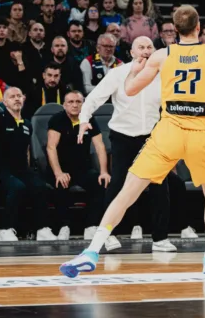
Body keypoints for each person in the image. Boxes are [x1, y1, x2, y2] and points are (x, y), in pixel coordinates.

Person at [59, 5, 205, 277]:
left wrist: (136, 70)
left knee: (127, 191)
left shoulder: (162, 54)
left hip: (168, 131)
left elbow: (129, 89)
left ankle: (91, 250)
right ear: (198, 28)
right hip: (199, 134)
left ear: (172, 31)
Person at [77, 36, 190, 253]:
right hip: (122, 136)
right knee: (118, 184)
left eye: (150, 47)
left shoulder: (163, 74)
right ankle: (108, 235)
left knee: (160, 186)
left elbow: (179, 102)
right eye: (141, 47)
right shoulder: (119, 73)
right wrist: (83, 120)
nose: (146, 51)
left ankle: (160, 239)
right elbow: (94, 98)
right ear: (132, 52)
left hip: (152, 137)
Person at [0, 87, 57, 241]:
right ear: (5, 102)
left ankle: (42, 229)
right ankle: (6, 229)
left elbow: (26, 150)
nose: (17, 99)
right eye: (12, 97)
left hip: (22, 169)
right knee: (17, 187)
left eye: (19, 96)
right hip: (1, 168)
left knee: (40, 186)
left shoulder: (27, 124)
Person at [46, 90, 110, 241]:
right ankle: (64, 226)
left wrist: (104, 171)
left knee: (100, 182)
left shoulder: (89, 119)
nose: (75, 105)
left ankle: (91, 226)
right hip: (61, 168)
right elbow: (51, 147)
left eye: (78, 102)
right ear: (64, 105)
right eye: (71, 102)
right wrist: (58, 173)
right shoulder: (57, 119)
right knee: (61, 184)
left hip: (83, 168)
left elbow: (100, 146)